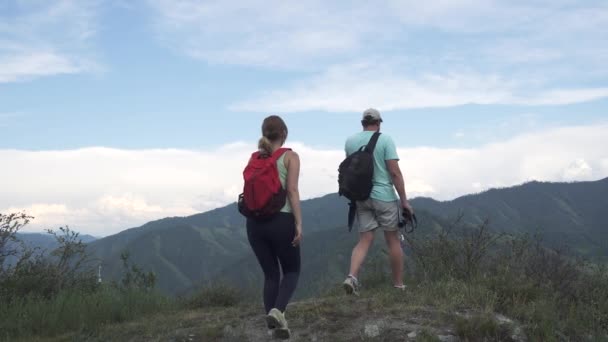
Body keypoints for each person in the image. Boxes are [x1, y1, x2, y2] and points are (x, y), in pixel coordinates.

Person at [342, 108, 414, 296]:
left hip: (361, 197)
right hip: (384, 197)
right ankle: (398, 286)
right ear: (379, 122)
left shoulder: (350, 142)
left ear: (362, 123)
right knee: (393, 241)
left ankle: (351, 277)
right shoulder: (385, 140)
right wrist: (404, 201)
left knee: (364, 240)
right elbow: (395, 172)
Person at [245, 115, 302, 340]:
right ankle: (278, 311)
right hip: (281, 221)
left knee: (270, 276)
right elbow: (292, 191)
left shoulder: (254, 158)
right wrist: (298, 223)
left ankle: (275, 329)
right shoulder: (290, 157)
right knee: (292, 271)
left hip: (254, 224)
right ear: (284, 133)